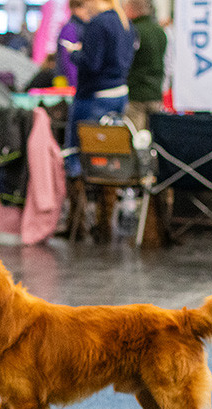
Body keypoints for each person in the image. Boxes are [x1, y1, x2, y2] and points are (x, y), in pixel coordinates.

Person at [62, 0, 136, 241]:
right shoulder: (124, 22)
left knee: (76, 157)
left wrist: (74, 53)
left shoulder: (98, 24)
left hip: (93, 97)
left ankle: (77, 224)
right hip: (118, 95)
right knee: (110, 157)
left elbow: (91, 63)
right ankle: (105, 224)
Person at [123, 0, 167, 130]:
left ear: (131, 10)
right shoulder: (159, 31)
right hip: (155, 93)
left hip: (136, 94)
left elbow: (126, 61)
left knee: (136, 140)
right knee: (152, 138)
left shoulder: (134, 31)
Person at [56, 0, 88, 88]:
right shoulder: (70, 29)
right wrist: (74, 84)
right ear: (75, 9)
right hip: (70, 83)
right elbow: (67, 61)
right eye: (84, 7)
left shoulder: (82, 26)